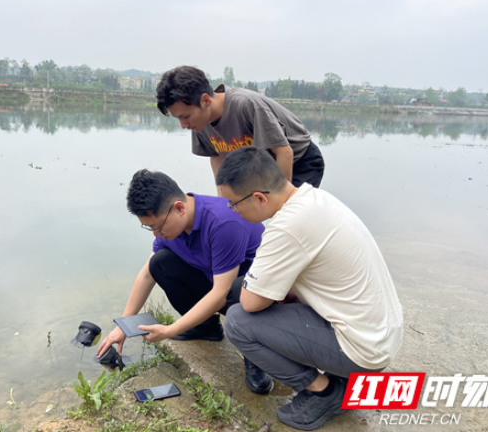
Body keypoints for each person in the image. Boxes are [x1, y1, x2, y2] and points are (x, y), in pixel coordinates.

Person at [215, 147, 403, 431]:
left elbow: (251, 304)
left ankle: (323, 391)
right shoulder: (313, 198)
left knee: (239, 321)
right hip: (380, 333)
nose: (232, 210)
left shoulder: (286, 227)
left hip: (363, 351)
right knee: (248, 289)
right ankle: (338, 379)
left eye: (233, 204)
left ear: (259, 198)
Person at [96, 169, 273, 394]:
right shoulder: (174, 227)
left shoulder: (223, 222)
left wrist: (170, 330)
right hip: (220, 283)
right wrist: (123, 325)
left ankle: (257, 355)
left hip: (255, 293)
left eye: (157, 227)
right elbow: (146, 274)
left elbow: (221, 292)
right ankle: (206, 328)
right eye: (150, 228)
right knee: (160, 263)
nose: (156, 234)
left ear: (179, 207)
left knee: (239, 288)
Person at [156, 65, 325, 190]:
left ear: (206, 100)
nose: (183, 125)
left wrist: (282, 203)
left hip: (299, 161)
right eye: (178, 118)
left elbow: (284, 151)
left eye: (185, 117)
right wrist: (222, 195)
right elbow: (216, 156)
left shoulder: (246, 105)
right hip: (259, 168)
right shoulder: (199, 121)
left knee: (287, 216)